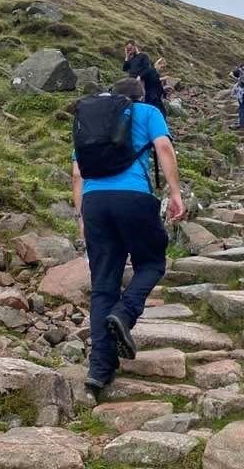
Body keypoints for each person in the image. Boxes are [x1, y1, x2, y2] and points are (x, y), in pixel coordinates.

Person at [72, 77, 186, 395]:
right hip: (134, 198)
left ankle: (99, 370)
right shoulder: (148, 112)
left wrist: (81, 217)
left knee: (103, 286)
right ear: (140, 96)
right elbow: (163, 147)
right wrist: (175, 193)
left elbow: (77, 174)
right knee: (151, 263)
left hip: (94, 203)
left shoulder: (93, 119)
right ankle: (125, 312)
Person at [123, 40, 166, 116]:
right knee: (130, 97)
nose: (130, 50)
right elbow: (124, 68)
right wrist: (127, 56)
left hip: (140, 80)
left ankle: (142, 114)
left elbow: (147, 68)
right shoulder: (131, 58)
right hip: (131, 80)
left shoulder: (143, 56)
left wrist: (140, 76)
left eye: (130, 48)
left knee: (140, 97)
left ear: (135, 47)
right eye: (128, 49)